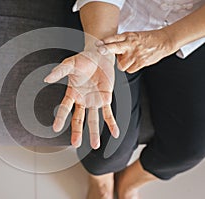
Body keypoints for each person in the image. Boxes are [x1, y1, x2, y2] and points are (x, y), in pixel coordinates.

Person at [44, 0, 205, 198]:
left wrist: (168, 40)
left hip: (190, 30)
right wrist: (98, 47)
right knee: (107, 149)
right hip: (110, 15)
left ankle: (129, 182)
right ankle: (102, 183)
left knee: (190, 147)